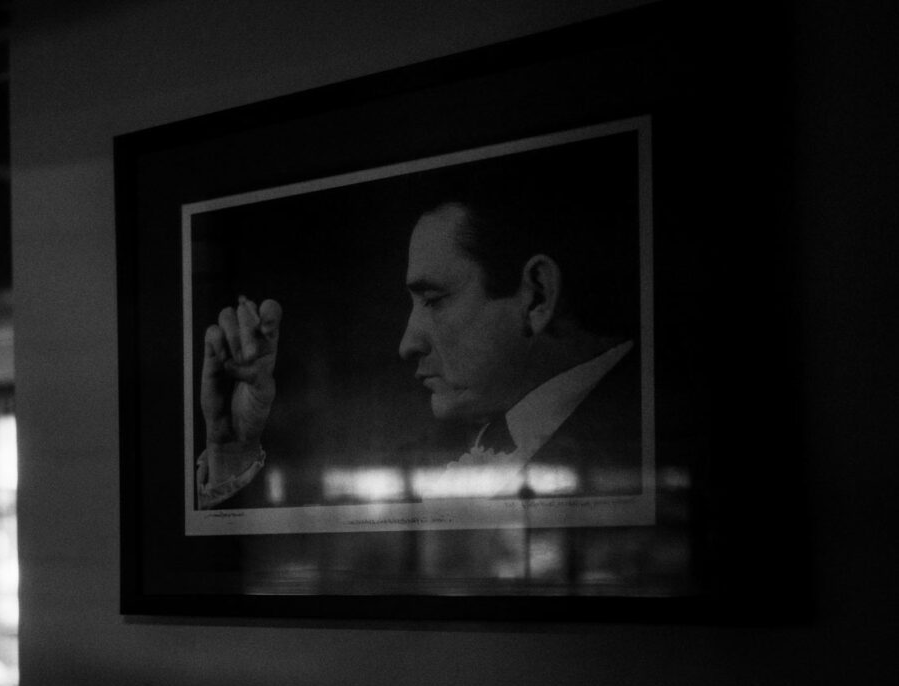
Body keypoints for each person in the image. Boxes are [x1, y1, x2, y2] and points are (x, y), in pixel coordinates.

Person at [196, 152, 642, 509]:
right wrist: (231, 451)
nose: (406, 345)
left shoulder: (633, 445)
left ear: (538, 296)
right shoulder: (427, 457)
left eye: (435, 300)